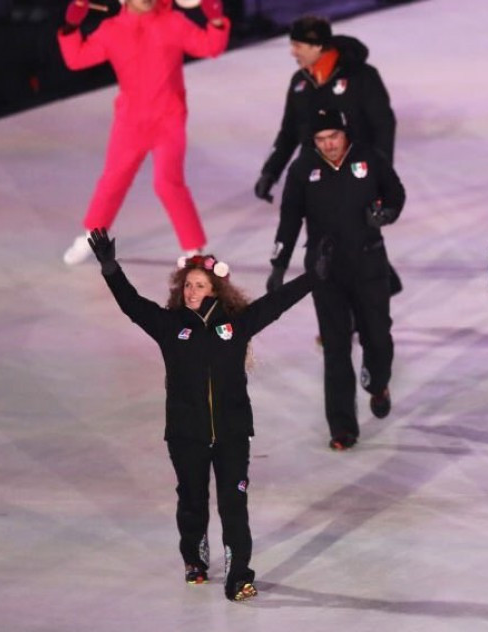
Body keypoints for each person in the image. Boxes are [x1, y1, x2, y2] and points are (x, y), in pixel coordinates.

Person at [85, 227, 326, 602]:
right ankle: (195, 561)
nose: (191, 291)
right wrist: (111, 268)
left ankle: (239, 577)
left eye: (199, 285)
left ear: (215, 289)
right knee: (193, 500)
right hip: (186, 434)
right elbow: (132, 305)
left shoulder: (237, 323)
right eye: (187, 286)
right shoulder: (170, 326)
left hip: (231, 433)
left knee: (234, 503)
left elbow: (276, 302)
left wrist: (314, 276)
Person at [268, 108, 405, 451]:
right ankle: (342, 428)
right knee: (336, 347)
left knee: (377, 334)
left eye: (334, 137)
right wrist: (279, 264)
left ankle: (378, 384)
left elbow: (395, 192)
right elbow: (289, 218)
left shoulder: (368, 158)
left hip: (369, 263)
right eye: (321, 140)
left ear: (346, 134)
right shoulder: (303, 169)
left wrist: (386, 213)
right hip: (325, 270)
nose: (329, 145)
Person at [57, 0, 230, 265]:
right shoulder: (112, 29)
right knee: (113, 179)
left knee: (167, 183)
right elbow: (76, 58)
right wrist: (73, 22)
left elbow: (210, 46)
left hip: (168, 120)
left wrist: (215, 18)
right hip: (129, 122)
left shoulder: (173, 22)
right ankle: (92, 237)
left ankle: (194, 250)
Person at [255, 14, 403, 296]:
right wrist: (270, 171)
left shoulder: (361, 77)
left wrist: (379, 176)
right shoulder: (299, 83)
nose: (292, 52)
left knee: (353, 240)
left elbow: (384, 125)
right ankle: (370, 296)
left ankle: (356, 312)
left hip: (357, 171)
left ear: (317, 46)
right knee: (332, 241)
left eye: (297, 45)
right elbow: (288, 133)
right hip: (317, 174)